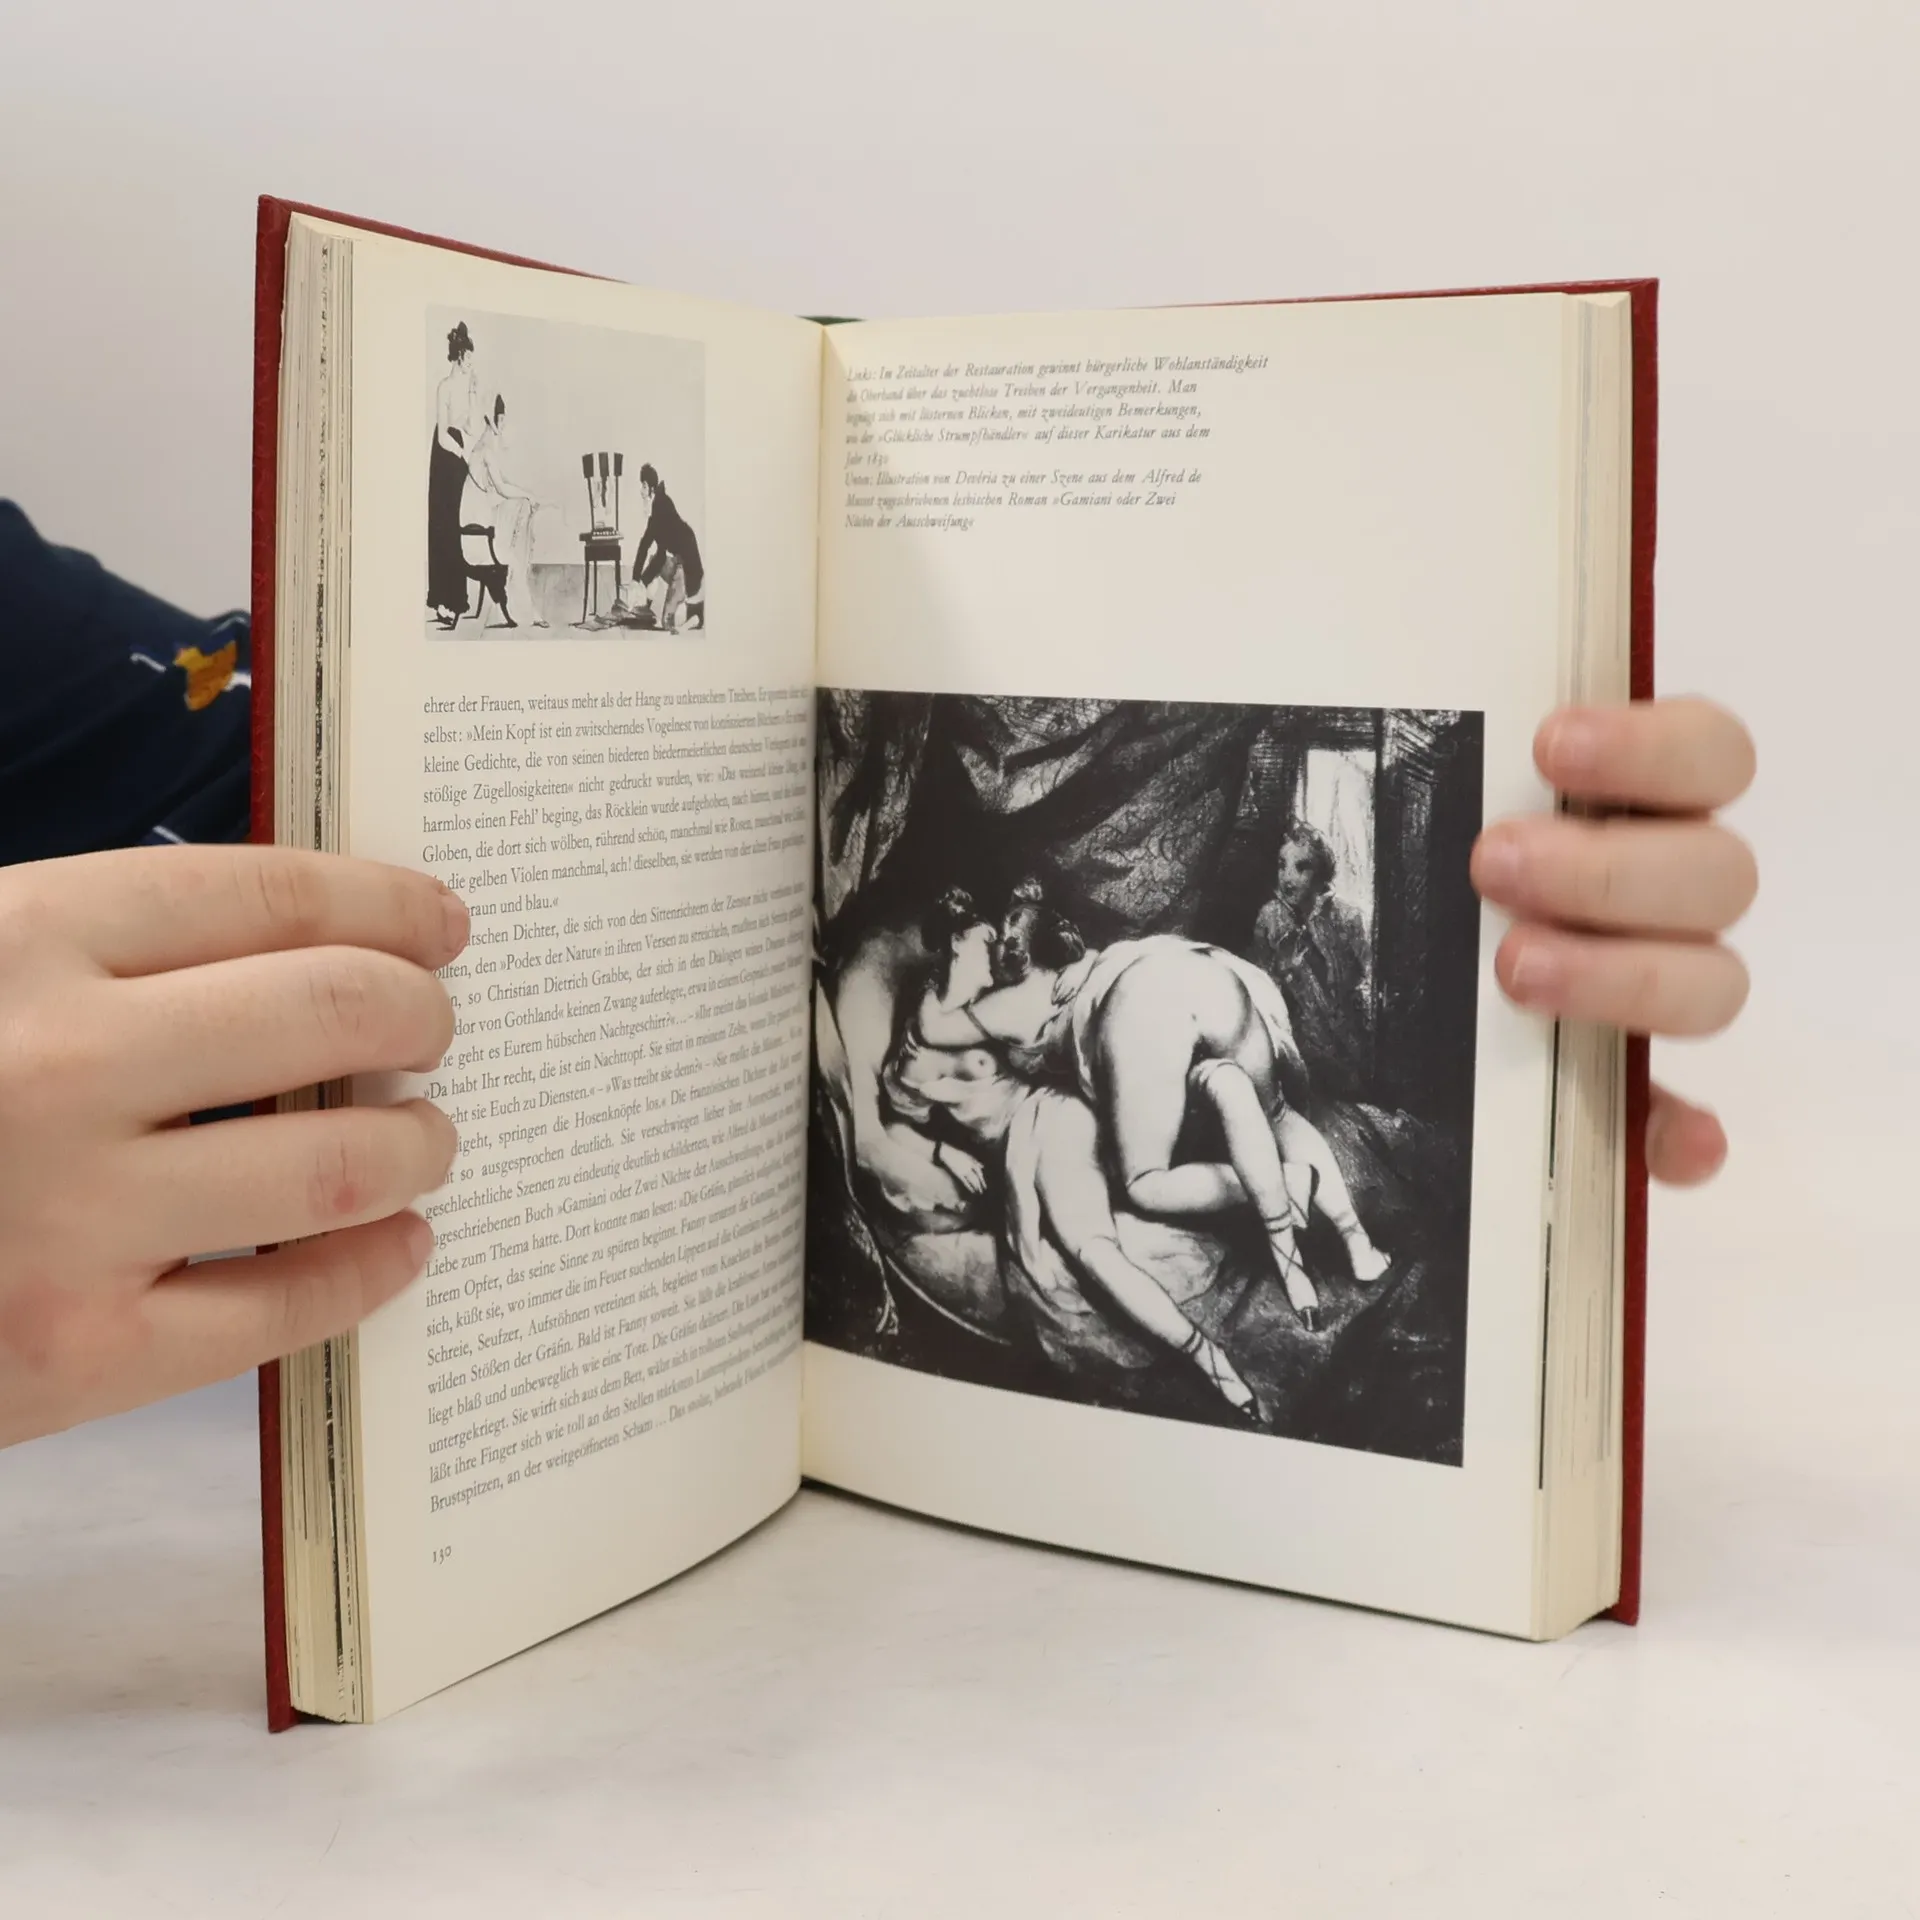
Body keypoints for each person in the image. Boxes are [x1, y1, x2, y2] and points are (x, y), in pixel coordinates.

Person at [0, 485, 1758, 1449]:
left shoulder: (1046, 1032)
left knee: (1152, 1172)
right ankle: (1312, 1236)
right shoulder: (1042, 1077)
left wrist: (1504, 950)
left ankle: (1324, 1221)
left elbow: (261, 819)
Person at [917, 906, 1387, 1333]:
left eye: (994, 946)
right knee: (1273, 1112)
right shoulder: (1086, 961)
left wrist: (937, 971)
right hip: (1204, 976)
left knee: (1144, 1183)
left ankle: (1287, 1187)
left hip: (1145, 1011)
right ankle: (1357, 1243)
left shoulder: (1012, 998)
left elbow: (932, 1028)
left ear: (1013, 957)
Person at [1251, 821, 1373, 1102]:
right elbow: (1261, 989)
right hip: (1296, 1045)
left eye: (1301, 867)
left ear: (1321, 874)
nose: (1287, 877)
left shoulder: (1348, 918)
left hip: (1345, 1044)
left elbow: (1367, 982)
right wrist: (1284, 971)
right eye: (1282, 865)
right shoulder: (1270, 918)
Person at [460, 393, 544, 628]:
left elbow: (496, 489)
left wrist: (524, 497)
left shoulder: (478, 451)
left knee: (519, 506)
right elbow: (502, 488)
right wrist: (528, 495)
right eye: (502, 421)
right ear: (494, 421)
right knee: (514, 559)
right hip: (475, 538)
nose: (504, 426)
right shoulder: (485, 452)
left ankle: (521, 608)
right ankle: (524, 613)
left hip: (472, 530)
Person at [427, 322, 480, 627]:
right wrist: (462, 455)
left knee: (454, 525)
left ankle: (456, 599)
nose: (471, 363)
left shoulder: (463, 387)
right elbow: (443, 434)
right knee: (442, 524)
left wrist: (473, 394)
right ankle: (442, 601)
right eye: (468, 358)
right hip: (445, 454)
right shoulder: (444, 387)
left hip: (458, 453)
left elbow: (471, 427)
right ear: (459, 356)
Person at [618, 464, 704, 632]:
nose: (641, 491)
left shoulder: (662, 506)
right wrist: (637, 581)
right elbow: (646, 545)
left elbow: (657, 553)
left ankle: (696, 615)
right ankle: (644, 606)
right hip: (679, 564)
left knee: (667, 623)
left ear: (650, 487)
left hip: (686, 571)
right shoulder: (658, 506)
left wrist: (639, 582)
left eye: (643, 486)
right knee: (653, 561)